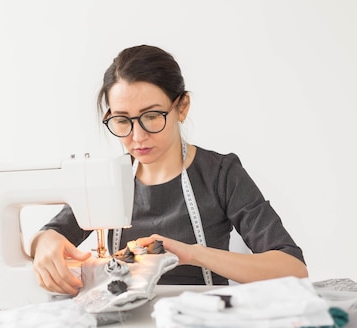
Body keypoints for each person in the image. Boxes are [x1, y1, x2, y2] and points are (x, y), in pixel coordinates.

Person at [30, 45, 308, 295]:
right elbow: (52, 233)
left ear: (182, 107)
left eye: (151, 116)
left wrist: (192, 254)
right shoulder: (108, 178)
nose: (137, 136)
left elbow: (292, 268)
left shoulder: (221, 174)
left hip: (199, 322)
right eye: (122, 120)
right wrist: (46, 241)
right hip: (124, 323)